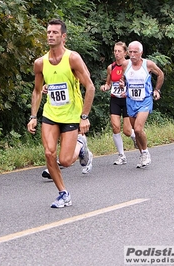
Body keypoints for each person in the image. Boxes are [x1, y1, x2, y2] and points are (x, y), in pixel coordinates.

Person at [27, 19, 95, 208]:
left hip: (71, 115)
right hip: (50, 114)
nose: (50, 35)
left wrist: (84, 116)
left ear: (63, 37)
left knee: (64, 161)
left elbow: (90, 87)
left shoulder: (72, 58)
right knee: (49, 153)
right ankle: (63, 193)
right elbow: (37, 91)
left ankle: (81, 146)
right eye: (48, 32)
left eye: (55, 33)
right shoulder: (40, 63)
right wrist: (33, 117)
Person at [119, 41, 164, 168]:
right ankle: (143, 154)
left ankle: (145, 153)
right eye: (130, 52)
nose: (132, 55)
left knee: (138, 128)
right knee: (136, 131)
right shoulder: (125, 64)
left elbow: (160, 74)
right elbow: (123, 78)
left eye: (135, 52)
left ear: (141, 53)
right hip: (131, 100)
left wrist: (157, 90)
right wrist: (123, 85)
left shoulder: (148, 64)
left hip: (145, 100)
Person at [100, 42, 137, 165]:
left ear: (125, 53)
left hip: (127, 99)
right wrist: (105, 87)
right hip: (115, 99)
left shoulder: (131, 66)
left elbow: (137, 82)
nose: (116, 53)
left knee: (127, 131)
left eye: (119, 51)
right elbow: (108, 83)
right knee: (115, 127)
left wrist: (126, 87)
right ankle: (121, 156)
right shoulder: (111, 67)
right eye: (115, 51)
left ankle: (135, 137)